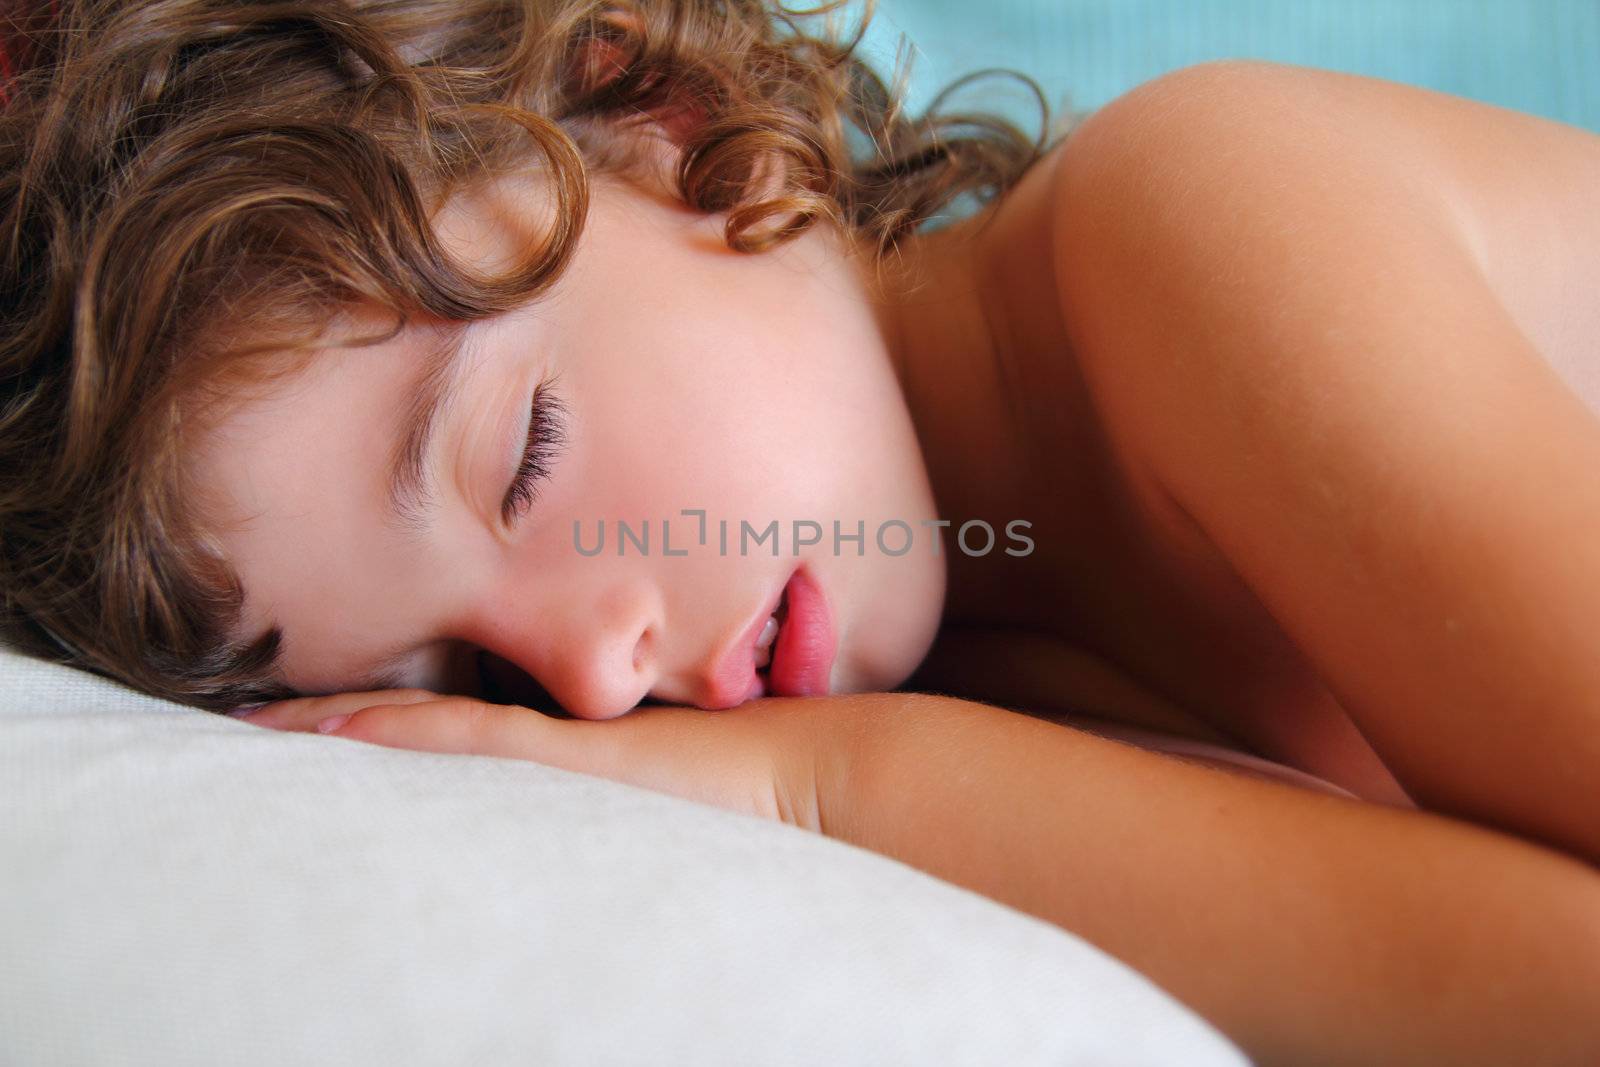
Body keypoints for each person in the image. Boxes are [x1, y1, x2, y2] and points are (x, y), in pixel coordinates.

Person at [3, 1, 1598, 1061]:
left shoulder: (1204, 222)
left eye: (528, 462)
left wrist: (826, 792)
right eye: (474, 677)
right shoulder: (965, 663)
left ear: (663, 120)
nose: (600, 678)